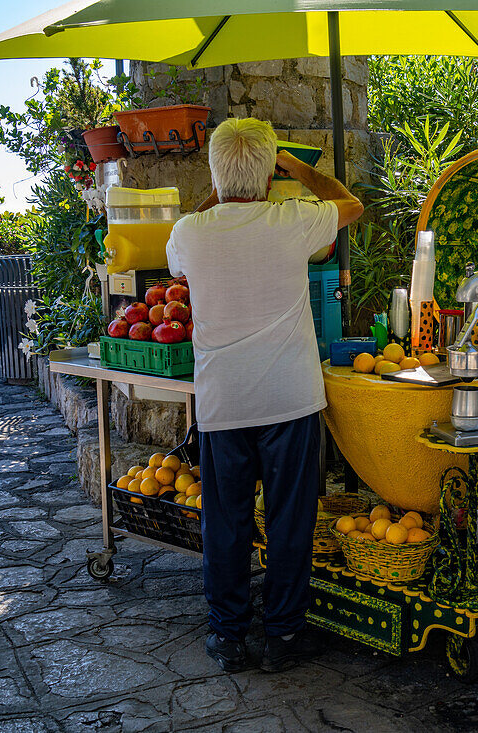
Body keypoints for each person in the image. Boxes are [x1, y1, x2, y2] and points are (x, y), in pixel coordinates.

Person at [166, 117, 364, 673]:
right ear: (271, 175)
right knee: (290, 520)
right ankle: (283, 635)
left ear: (214, 172)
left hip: (224, 404)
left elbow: (196, 236)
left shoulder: (189, 233)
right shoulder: (292, 220)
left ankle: (227, 637)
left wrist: (223, 190)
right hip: (290, 400)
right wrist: (296, 166)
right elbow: (350, 205)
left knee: (225, 522)